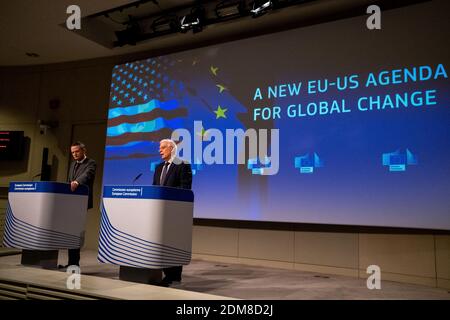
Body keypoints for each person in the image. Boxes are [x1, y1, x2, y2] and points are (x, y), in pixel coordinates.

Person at [153, 139, 192, 287]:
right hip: (159, 213)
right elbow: (154, 188)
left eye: (162, 148)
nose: (159, 150)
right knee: (162, 243)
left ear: (171, 149)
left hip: (175, 212)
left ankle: (174, 277)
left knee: (173, 244)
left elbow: (185, 188)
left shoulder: (183, 165)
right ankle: (165, 274)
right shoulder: (158, 167)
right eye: (159, 147)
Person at [59, 141, 97, 268]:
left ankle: (74, 263)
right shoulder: (72, 164)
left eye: (77, 151)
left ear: (83, 151)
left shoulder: (91, 163)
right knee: (71, 232)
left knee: (76, 232)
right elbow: (69, 181)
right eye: (72, 152)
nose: (74, 154)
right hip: (71, 202)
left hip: (81, 202)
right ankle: (71, 262)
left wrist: (77, 182)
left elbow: (87, 176)